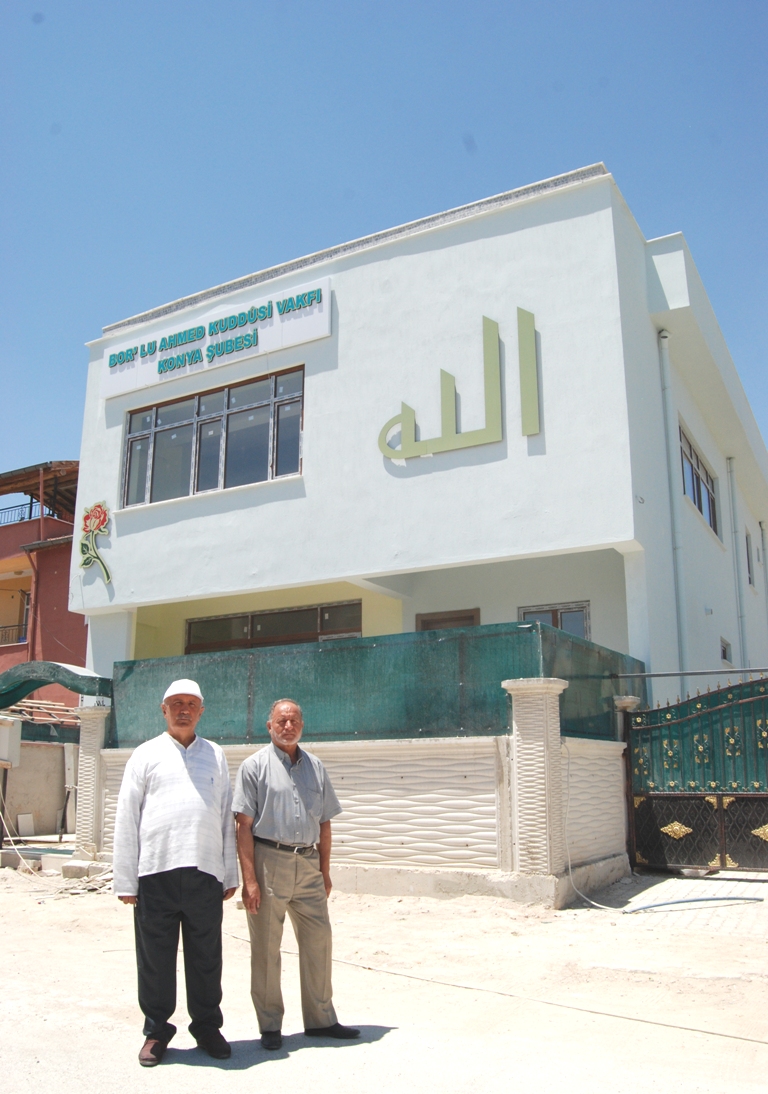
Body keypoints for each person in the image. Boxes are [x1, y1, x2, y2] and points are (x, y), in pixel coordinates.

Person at [113, 679, 238, 1067]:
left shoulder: (215, 754)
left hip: (205, 872)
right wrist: (126, 879)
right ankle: (156, 1031)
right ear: (163, 710)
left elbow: (225, 815)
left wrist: (229, 873)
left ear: (201, 711)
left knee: (206, 957)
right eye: (176, 703)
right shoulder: (145, 754)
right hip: (156, 873)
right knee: (155, 959)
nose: (184, 709)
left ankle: (207, 1027)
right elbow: (126, 817)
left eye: (191, 704)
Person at [233, 698, 359, 1050]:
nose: (288, 726)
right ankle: (270, 1024)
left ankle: (321, 1020)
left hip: (308, 864)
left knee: (319, 940)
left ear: (302, 725)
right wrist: (250, 880)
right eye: (281, 721)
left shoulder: (315, 767)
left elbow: (325, 822)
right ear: (269, 726)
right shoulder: (254, 767)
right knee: (266, 946)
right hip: (268, 861)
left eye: (294, 721)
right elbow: (243, 826)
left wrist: (324, 871)